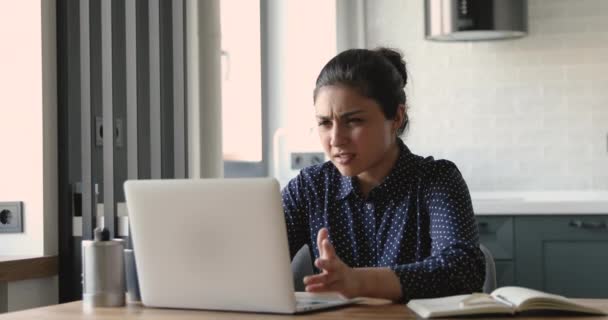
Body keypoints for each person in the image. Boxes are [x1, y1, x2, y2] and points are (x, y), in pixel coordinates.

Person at [281, 48, 485, 303]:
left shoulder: (437, 180)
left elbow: (464, 270)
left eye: (353, 121)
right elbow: (257, 261)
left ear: (396, 117)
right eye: (324, 123)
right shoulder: (309, 187)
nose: (335, 139)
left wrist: (358, 281)